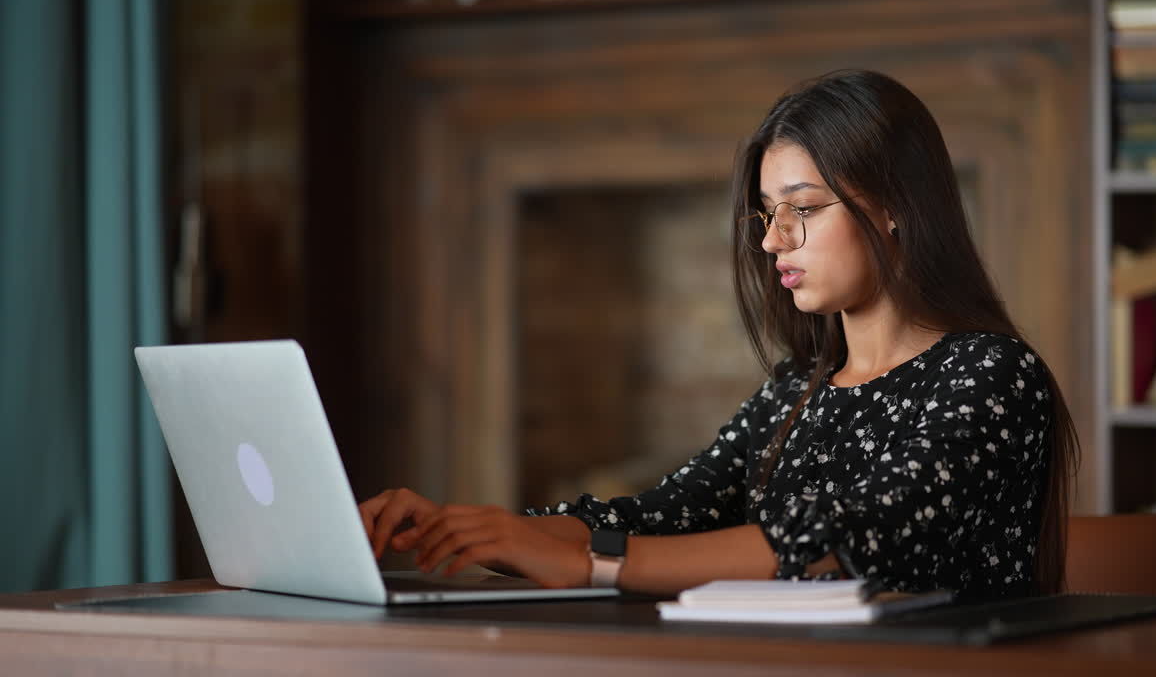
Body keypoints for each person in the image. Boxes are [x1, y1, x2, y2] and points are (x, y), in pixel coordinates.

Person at [358, 69, 1079, 602]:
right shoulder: (798, 387)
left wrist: (592, 567)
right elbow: (661, 514)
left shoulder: (991, 374)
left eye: (802, 209)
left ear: (894, 206)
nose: (775, 242)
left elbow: (848, 541)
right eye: (767, 215)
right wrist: (473, 530)